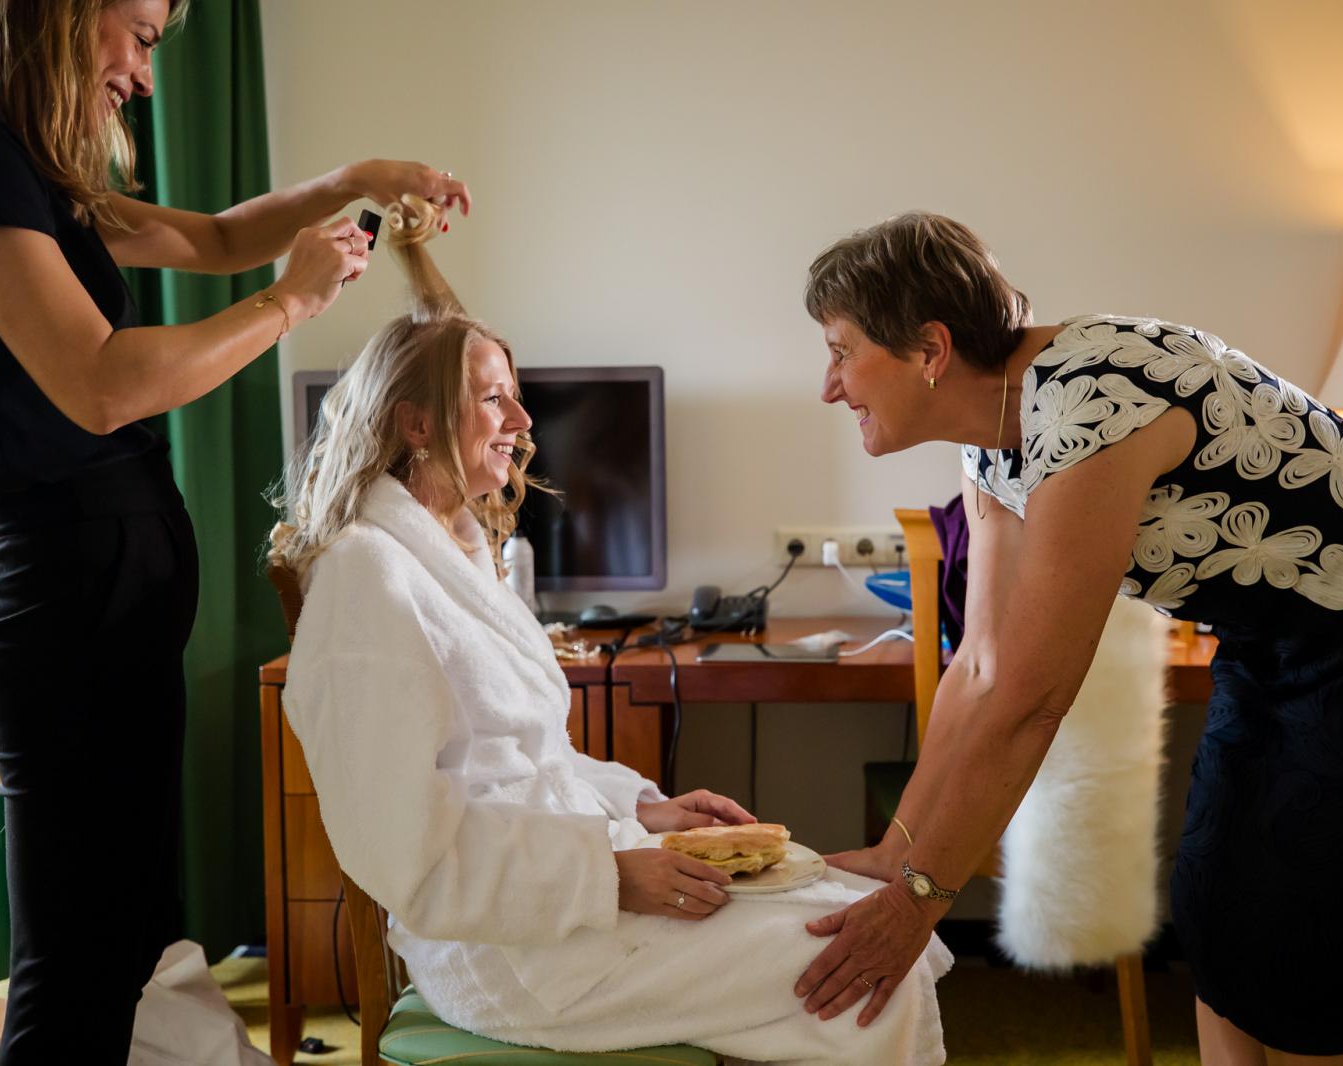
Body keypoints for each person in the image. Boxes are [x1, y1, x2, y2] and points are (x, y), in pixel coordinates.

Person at [0, 2, 469, 1061]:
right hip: (67, 605)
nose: (142, 75)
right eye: (136, 35)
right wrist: (290, 304)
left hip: (100, 600)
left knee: (122, 960)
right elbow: (100, 385)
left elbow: (219, 236)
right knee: (76, 979)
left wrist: (361, 176)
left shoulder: (13, 164)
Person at [268, 202, 952, 1065]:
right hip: (508, 946)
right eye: (495, 400)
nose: (522, 424)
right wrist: (613, 876)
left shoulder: (461, 552)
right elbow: (403, 851)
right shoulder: (369, 577)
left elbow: (526, 762)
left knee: (860, 917)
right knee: (861, 963)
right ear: (414, 424)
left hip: (568, 896)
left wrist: (645, 809)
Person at [795, 211, 1343, 1064]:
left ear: (929, 349)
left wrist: (919, 902)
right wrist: (897, 853)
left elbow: (1034, 695)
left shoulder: (1092, 391)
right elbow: (984, 666)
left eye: (841, 350)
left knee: (1301, 967)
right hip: (1278, 650)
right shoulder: (994, 440)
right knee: (1219, 919)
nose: (829, 385)